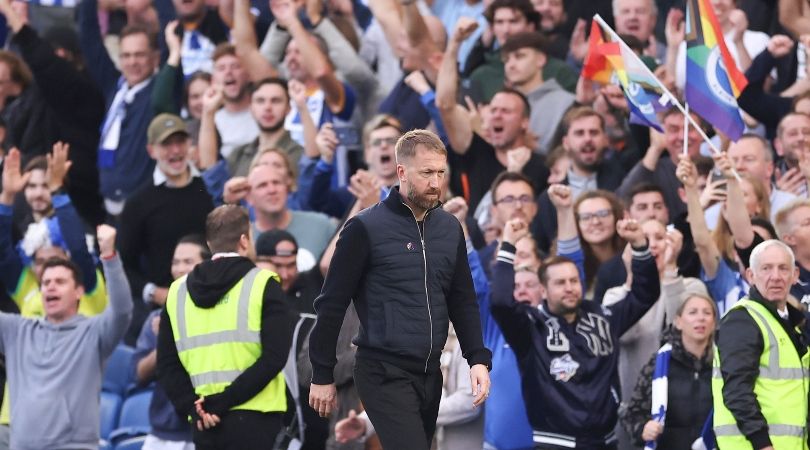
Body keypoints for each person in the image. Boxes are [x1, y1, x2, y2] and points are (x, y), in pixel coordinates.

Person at [307, 130, 492, 450]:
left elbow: (462, 298)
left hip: (430, 372)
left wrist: (477, 358)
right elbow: (332, 303)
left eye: (440, 172)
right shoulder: (365, 227)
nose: (435, 182)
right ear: (402, 172)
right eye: (426, 173)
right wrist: (322, 373)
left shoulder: (449, 228)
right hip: (382, 369)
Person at [490, 215, 660, 449]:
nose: (569, 288)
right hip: (556, 443)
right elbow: (500, 302)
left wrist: (640, 245)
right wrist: (508, 245)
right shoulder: (530, 327)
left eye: (574, 281)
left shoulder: (604, 317)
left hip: (605, 441)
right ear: (544, 290)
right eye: (560, 283)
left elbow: (645, 293)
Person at [157, 205, 295, 449]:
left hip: (205, 423)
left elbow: (167, 365)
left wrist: (195, 406)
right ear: (244, 241)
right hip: (256, 419)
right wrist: (222, 401)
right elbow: (274, 358)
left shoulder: (176, 292)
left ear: (210, 244)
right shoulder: (263, 283)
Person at [0, 224, 133, 450]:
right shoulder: (17, 330)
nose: (51, 287)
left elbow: (122, 310)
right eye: (46, 283)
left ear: (79, 291)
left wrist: (109, 256)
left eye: (60, 282)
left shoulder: (93, 332)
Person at [118, 113, 214, 341]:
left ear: (190, 144)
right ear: (152, 150)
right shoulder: (138, 203)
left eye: (180, 141)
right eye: (166, 144)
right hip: (164, 310)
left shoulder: (209, 190)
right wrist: (154, 292)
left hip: (213, 301)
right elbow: (123, 265)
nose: (175, 150)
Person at [713, 239, 810, 450]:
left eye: (783, 268)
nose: (775, 276)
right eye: (766, 268)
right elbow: (737, 390)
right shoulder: (743, 319)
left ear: (795, 276)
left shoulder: (792, 325)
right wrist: (762, 443)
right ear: (750, 276)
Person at [133, 235, 211, 450]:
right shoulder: (156, 319)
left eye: (188, 262)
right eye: (175, 262)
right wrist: (165, 342)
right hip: (162, 434)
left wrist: (176, 336)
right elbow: (139, 374)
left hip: (206, 431)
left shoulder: (219, 316)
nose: (179, 269)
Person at [620, 294, 717, 450]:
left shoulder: (724, 365)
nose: (701, 318)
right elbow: (632, 414)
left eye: (707, 313)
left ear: (713, 323)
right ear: (678, 322)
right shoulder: (658, 364)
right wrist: (643, 429)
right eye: (693, 312)